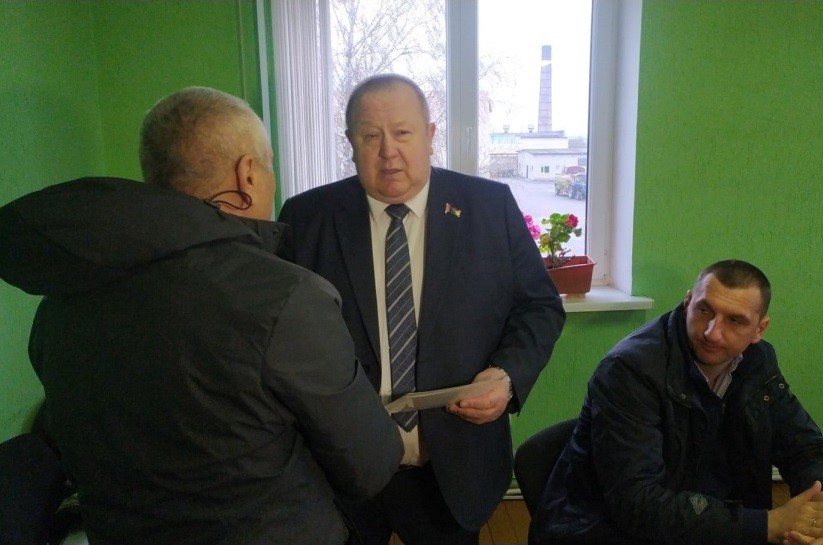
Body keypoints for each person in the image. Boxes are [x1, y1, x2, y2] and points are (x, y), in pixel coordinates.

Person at [0, 86, 403, 545]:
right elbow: (371, 464)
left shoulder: (60, 300)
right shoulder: (286, 299)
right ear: (247, 175)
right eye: (269, 166)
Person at [276, 73, 566, 545]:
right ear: (350, 142)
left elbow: (539, 306)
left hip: (451, 466)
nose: (388, 151)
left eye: (403, 133)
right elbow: (280, 335)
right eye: (371, 136)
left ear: (430, 136)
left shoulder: (488, 206)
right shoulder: (306, 218)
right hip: (341, 469)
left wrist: (507, 375)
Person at [529, 259, 823, 545]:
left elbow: (805, 447)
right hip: (604, 529)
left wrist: (816, 512)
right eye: (704, 310)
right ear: (687, 302)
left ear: (760, 329)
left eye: (735, 320)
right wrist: (767, 525)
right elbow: (637, 503)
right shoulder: (629, 371)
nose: (712, 332)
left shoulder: (758, 361)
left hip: (707, 524)